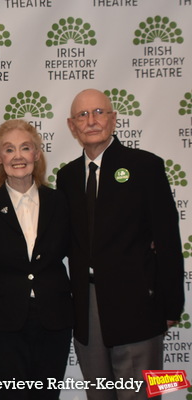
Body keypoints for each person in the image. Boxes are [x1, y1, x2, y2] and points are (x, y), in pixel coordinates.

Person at [56, 89, 184, 400]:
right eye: (83, 115)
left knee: (141, 395)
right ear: (72, 126)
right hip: (86, 310)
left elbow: (167, 239)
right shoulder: (67, 177)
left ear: (113, 119)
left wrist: (171, 305)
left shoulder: (145, 167)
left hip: (139, 307)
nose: (92, 121)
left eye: (99, 112)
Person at [0, 119, 72, 400]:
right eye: (9, 150)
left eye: (25, 148)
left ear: (37, 153)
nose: (18, 156)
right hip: (4, 324)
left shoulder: (61, 203)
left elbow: (82, 251)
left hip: (54, 320)